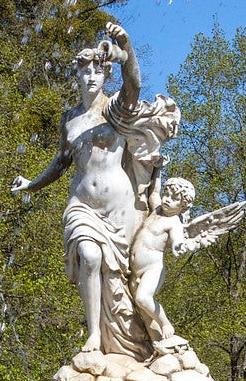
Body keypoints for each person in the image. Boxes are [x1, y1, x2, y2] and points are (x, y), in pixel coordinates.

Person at [11, 21, 178, 357]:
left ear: (105, 75)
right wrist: (32, 183)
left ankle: (135, 342)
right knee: (89, 257)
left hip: (118, 208)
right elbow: (61, 162)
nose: (91, 77)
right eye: (84, 71)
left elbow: (135, 83)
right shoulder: (70, 119)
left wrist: (126, 50)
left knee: (121, 284)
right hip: (82, 205)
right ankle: (92, 335)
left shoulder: (114, 108)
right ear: (76, 76)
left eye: (98, 71)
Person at [123, 176, 245, 358]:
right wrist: (157, 169)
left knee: (143, 298)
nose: (166, 199)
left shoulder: (174, 223)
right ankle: (158, 348)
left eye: (173, 199)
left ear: (183, 206)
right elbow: (154, 192)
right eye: (167, 194)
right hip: (134, 269)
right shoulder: (157, 209)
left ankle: (166, 324)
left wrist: (178, 245)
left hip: (152, 268)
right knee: (145, 314)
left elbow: (177, 239)